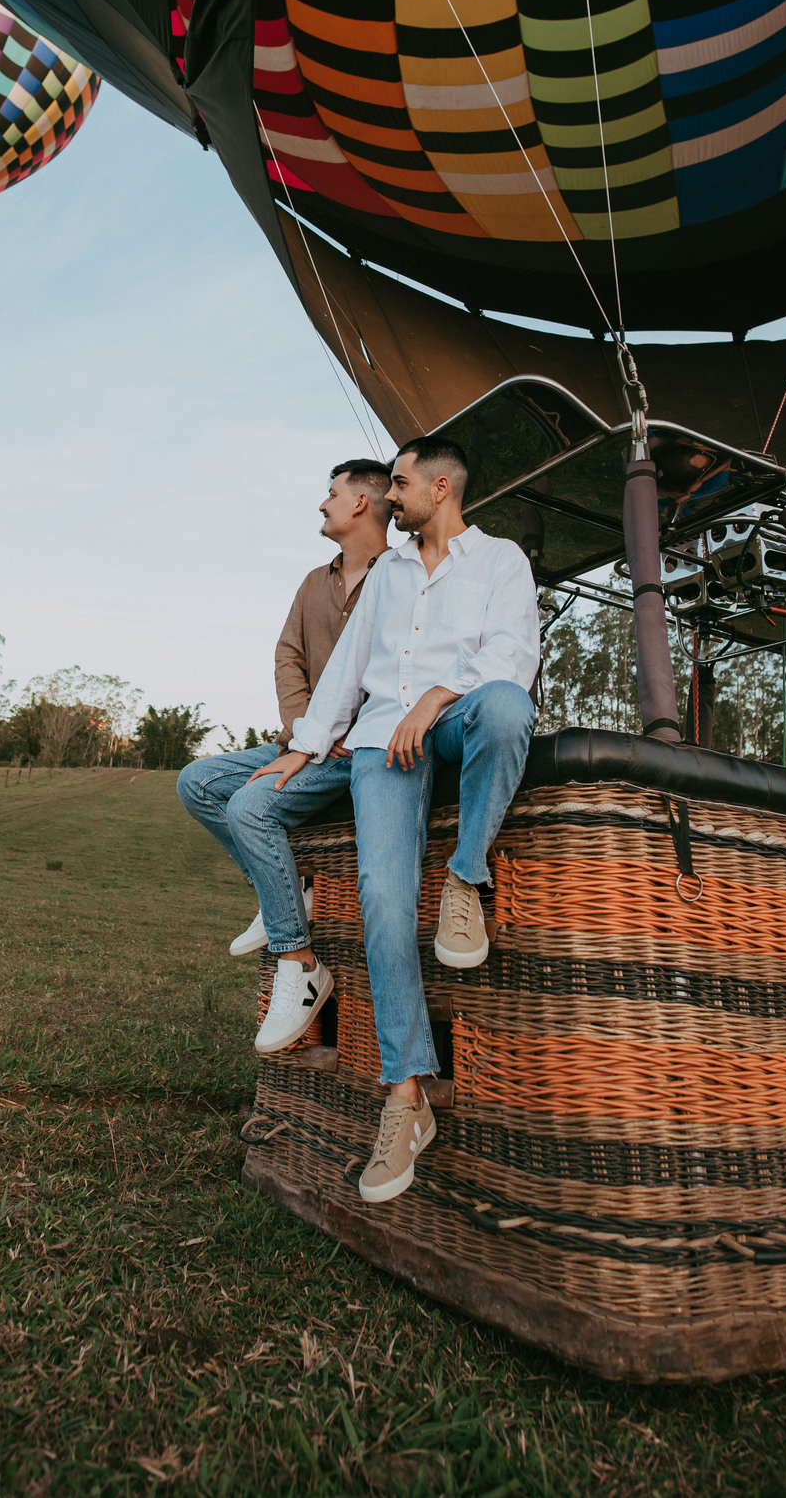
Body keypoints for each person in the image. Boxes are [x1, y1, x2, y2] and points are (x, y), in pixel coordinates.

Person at [250, 436, 538, 1205]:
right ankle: (406, 1096)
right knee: (382, 897)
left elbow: (514, 656)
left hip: (456, 711)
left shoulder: (501, 561)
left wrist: (439, 696)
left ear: (440, 487)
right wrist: (303, 748)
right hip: (382, 740)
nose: (390, 496)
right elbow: (344, 674)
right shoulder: (388, 575)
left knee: (508, 710)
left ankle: (465, 878)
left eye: (401, 483)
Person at [176, 459, 392, 1020]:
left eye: (331, 493)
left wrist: (345, 731)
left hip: (356, 751)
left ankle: (297, 964)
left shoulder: (401, 577)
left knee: (249, 804)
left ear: (362, 503)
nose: (322, 504)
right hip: (302, 740)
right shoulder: (312, 582)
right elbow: (287, 656)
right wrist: (301, 731)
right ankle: (285, 891)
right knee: (197, 781)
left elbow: (403, 669)